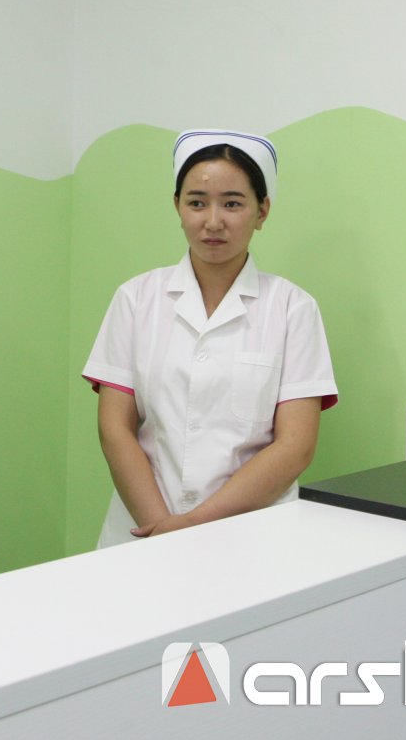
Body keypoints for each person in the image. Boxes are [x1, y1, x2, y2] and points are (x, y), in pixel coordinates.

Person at [83, 129, 338, 547]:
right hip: (145, 527)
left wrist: (192, 526)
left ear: (262, 211)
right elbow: (115, 429)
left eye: (232, 203)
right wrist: (162, 528)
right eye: (197, 203)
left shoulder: (293, 308)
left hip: (250, 536)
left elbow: (296, 446)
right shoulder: (136, 298)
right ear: (177, 207)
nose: (213, 222)